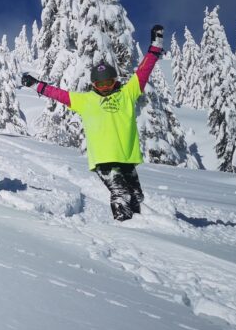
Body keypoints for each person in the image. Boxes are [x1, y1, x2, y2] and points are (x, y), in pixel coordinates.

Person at [21, 25, 165, 221]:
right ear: (94, 85)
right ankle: (128, 229)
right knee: (121, 194)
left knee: (136, 196)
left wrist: (155, 47)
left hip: (126, 156)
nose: (105, 88)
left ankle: (144, 227)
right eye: (100, 84)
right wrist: (36, 84)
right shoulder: (86, 100)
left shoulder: (127, 94)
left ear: (115, 82)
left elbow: (143, 71)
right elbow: (59, 94)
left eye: (108, 83)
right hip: (104, 158)